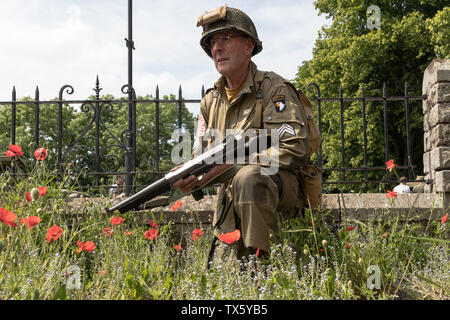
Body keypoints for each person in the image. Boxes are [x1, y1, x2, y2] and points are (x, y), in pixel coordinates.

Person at [173, 5, 309, 261]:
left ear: (249, 46)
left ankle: (262, 268)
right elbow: (201, 154)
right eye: (212, 42)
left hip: (279, 190)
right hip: (232, 198)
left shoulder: (273, 89)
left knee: (249, 176)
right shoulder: (210, 101)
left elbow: (294, 147)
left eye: (225, 38)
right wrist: (189, 176)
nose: (217, 49)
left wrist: (236, 165)